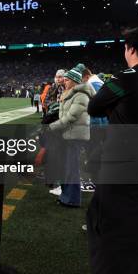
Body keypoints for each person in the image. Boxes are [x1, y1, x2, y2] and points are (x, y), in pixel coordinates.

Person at [86, 26, 138, 274]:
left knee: (110, 222)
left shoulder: (128, 77)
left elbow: (94, 105)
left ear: (131, 49)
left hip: (124, 162)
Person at [48, 63, 95, 207]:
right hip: (67, 134)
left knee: (71, 168)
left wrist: (52, 126)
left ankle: (72, 199)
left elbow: (71, 116)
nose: (64, 81)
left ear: (74, 80)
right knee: (65, 167)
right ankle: (65, 196)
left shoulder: (81, 95)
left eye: (67, 79)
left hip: (74, 135)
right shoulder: (72, 93)